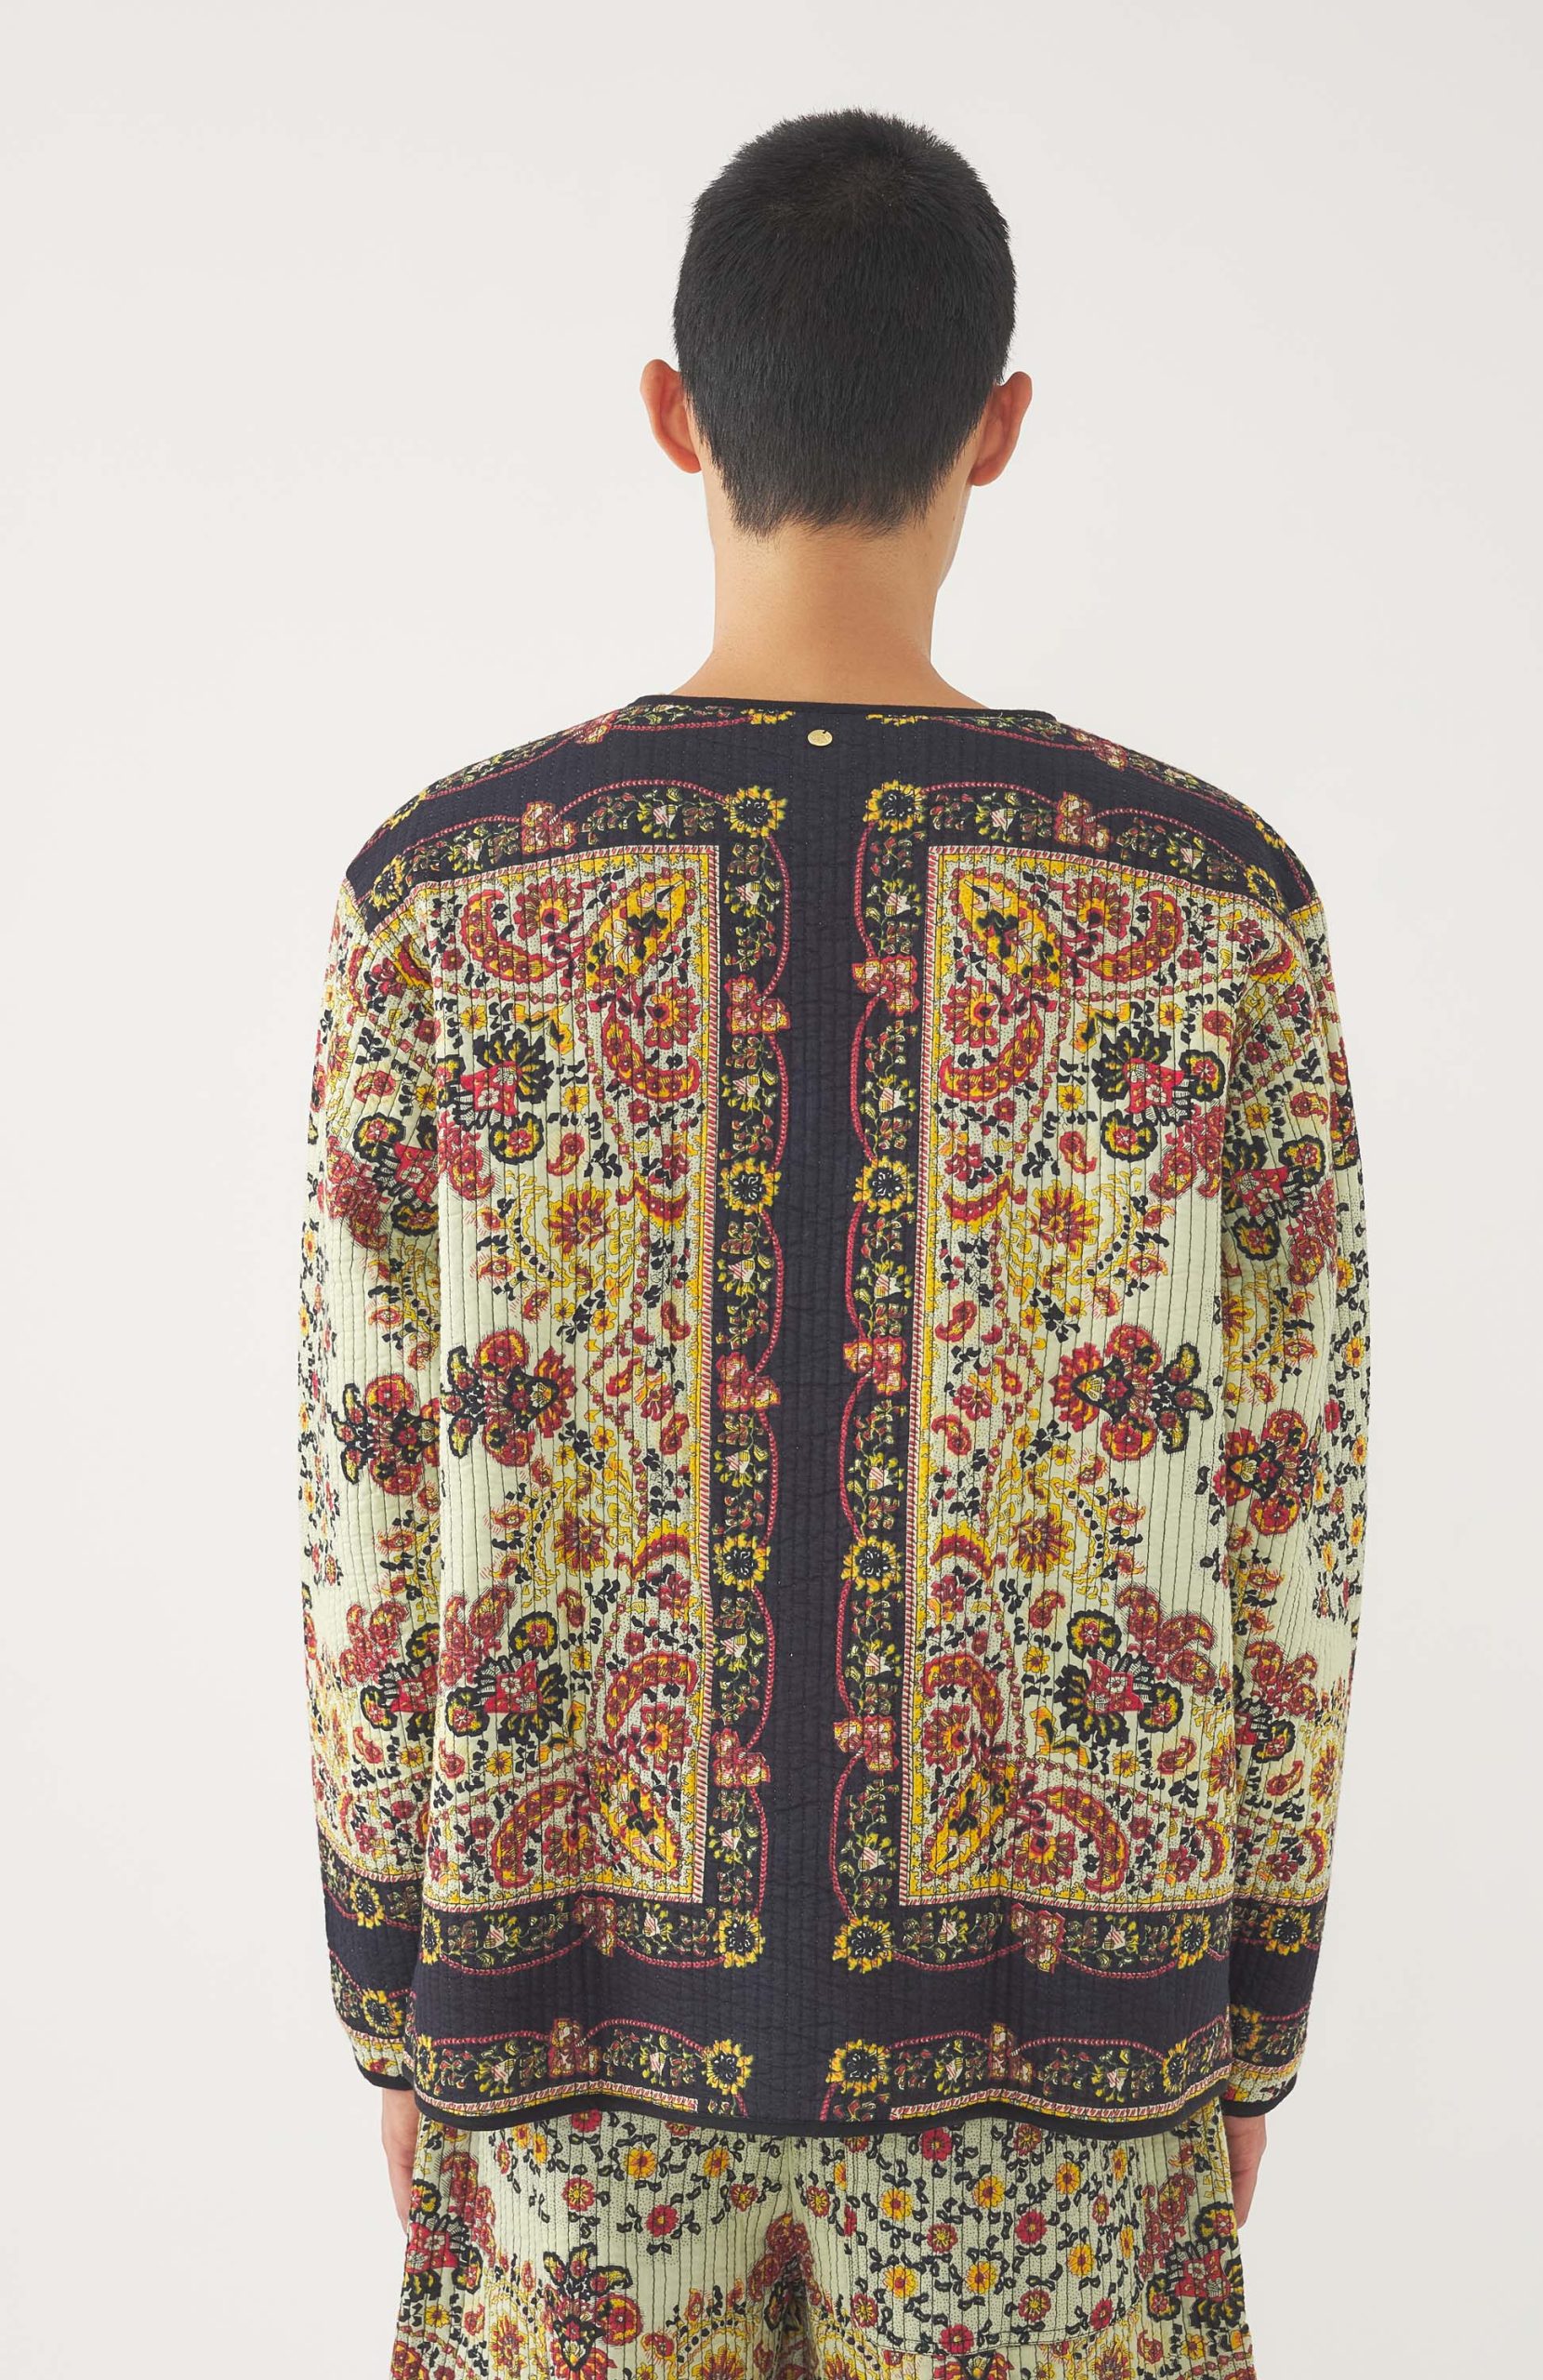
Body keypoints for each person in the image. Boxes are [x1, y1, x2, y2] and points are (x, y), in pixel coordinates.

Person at [296, 105, 1370, 2380]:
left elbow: (367, 1482)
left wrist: (397, 1989)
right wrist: (1246, 2016)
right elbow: (1290, 1501)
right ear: (997, 425)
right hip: (1060, 2063)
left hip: (558, 2037)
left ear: (672, 411)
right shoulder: (1214, 908)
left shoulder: (441, 898)